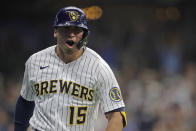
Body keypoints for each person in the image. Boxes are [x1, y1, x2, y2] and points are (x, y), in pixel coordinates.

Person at [14, 6, 127, 131]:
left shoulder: (99, 67)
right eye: (66, 29)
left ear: (84, 35)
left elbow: (116, 114)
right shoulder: (35, 61)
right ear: (55, 31)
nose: (71, 34)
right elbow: (25, 102)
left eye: (77, 30)